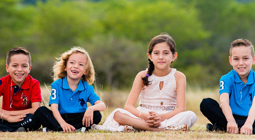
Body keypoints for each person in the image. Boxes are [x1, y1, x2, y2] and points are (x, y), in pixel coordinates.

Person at [93, 34, 197, 132]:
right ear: (150, 56)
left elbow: (180, 109)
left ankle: (140, 127)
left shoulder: (179, 77)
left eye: (166, 53)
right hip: (143, 116)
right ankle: (160, 129)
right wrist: (144, 116)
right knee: (117, 113)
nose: (161, 57)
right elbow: (129, 106)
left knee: (191, 115)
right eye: (156, 53)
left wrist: (160, 117)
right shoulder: (143, 76)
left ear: (174, 56)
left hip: (167, 117)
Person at [34, 47, 106, 133]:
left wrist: (91, 109)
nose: (75, 66)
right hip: (60, 118)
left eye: (81, 64)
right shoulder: (56, 85)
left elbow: (102, 105)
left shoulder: (87, 88)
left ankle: (57, 128)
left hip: (79, 118)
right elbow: (54, 108)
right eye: (72, 62)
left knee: (96, 114)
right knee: (40, 111)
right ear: (65, 67)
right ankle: (65, 128)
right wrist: (63, 123)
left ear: (85, 71)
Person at [200, 39, 255, 135]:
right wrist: (230, 121)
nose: (241, 63)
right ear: (230, 61)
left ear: (253, 60)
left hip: (252, 118)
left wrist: (249, 123)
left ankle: (222, 128)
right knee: (206, 103)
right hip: (230, 117)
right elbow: (224, 101)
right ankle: (235, 128)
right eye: (236, 59)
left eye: (245, 58)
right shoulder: (226, 78)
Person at [0, 47, 42, 132]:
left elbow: (35, 109)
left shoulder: (34, 83)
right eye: (15, 65)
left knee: (35, 118)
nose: (19, 70)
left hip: (25, 119)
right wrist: (7, 116)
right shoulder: (2, 82)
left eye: (24, 66)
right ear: (7, 68)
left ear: (29, 69)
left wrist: (9, 113)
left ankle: (9, 129)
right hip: (5, 119)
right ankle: (15, 129)